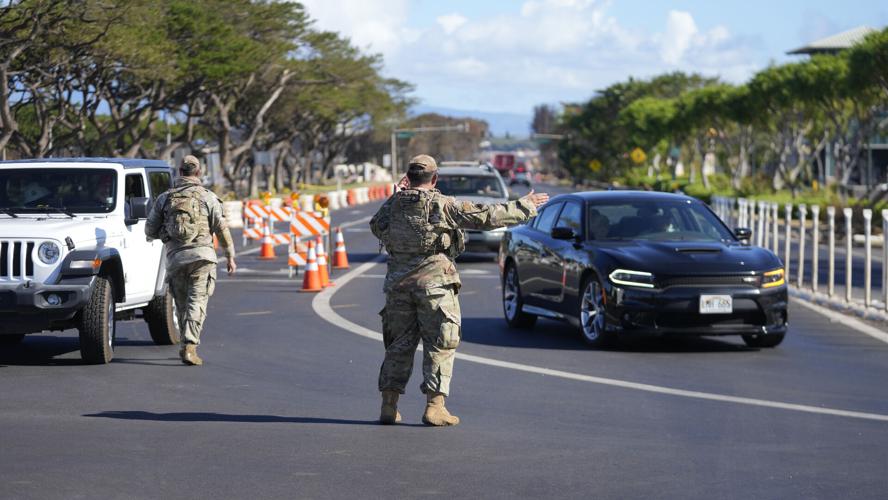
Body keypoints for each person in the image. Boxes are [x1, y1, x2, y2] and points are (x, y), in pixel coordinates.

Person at [370, 154, 549, 426]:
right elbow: (487, 216)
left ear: (408, 177)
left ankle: (389, 405)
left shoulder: (393, 204)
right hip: (436, 288)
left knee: (397, 346)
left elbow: (376, 226)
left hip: (397, 286)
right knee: (441, 344)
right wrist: (525, 205)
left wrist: (400, 200)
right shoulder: (444, 205)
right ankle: (435, 406)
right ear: (435, 178)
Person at [145, 155, 237, 366]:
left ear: (179, 172)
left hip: (176, 259)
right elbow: (221, 229)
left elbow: (149, 230)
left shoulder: (164, 198)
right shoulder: (208, 197)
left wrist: (166, 234)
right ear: (198, 173)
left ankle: (185, 343)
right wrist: (230, 255)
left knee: (182, 304)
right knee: (197, 301)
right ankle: (189, 346)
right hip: (203, 257)